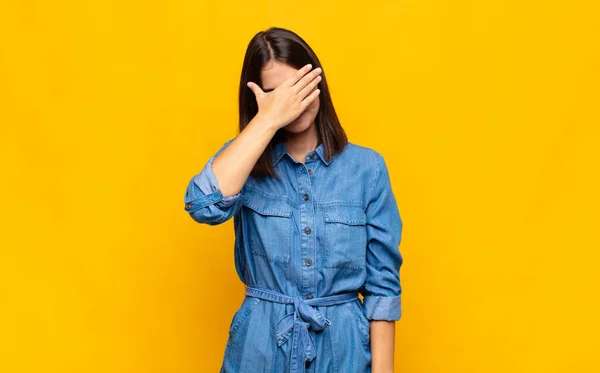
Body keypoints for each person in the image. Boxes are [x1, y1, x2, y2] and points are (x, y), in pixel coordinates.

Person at [183, 27, 403, 373]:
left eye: (298, 86)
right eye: (276, 94)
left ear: (317, 80)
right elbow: (202, 205)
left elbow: (383, 290)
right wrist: (268, 119)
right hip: (259, 349)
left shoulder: (367, 169)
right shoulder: (244, 163)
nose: (292, 102)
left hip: (343, 351)